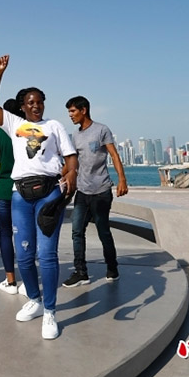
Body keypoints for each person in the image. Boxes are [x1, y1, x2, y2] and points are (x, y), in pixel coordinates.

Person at [0, 55, 78, 340]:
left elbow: (71, 157)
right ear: (23, 106)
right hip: (20, 196)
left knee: (46, 255)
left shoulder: (55, 126)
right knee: (24, 254)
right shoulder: (14, 124)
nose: (36, 106)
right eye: (31, 103)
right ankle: (35, 300)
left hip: (48, 193)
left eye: (40, 102)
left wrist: (71, 174)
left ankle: (50, 312)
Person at [62, 96, 128, 289]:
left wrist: (122, 180)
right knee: (76, 231)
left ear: (83, 110)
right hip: (82, 191)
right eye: (69, 112)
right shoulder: (75, 136)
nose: (70, 116)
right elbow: (71, 162)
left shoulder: (101, 130)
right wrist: (58, 176)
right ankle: (81, 272)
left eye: (73, 111)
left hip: (101, 190)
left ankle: (112, 267)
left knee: (103, 230)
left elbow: (114, 155)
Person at [0, 97, 23, 295]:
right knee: (26, 234)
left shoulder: (0, 132)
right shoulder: (26, 131)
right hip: (24, 190)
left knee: (6, 235)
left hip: (4, 190)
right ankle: (29, 279)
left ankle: (11, 281)